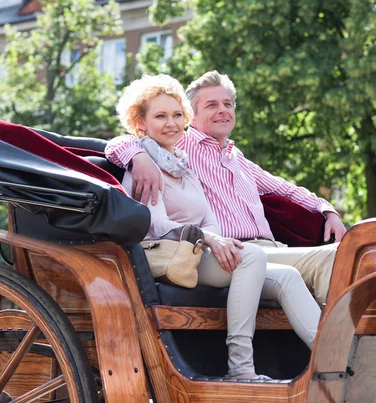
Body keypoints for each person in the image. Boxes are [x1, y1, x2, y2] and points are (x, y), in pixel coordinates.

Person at [109, 74, 322, 382]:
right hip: (169, 255)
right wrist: (211, 239)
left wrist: (214, 239)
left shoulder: (181, 163)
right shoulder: (143, 167)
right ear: (141, 123)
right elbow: (156, 224)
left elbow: (210, 218)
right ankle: (241, 367)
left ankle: (336, 360)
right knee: (250, 256)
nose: (171, 123)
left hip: (198, 251)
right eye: (160, 116)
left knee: (286, 276)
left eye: (177, 115)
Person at [106, 71, 346, 308]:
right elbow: (121, 141)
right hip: (235, 251)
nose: (223, 110)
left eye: (227, 104)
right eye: (212, 105)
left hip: (272, 249)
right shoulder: (180, 146)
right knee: (335, 257)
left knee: (349, 256)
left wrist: (328, 211)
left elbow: (288, 190)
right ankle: (344, 345)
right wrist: (138, 156)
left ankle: (332, 340)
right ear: (192, 116)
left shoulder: (238, 159)